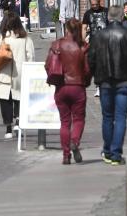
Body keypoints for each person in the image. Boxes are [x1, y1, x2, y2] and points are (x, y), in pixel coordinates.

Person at [88, 5, 127, 166]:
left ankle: (107, 150)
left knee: (107, 117)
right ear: (121, 17)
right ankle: (116, 153)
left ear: (108, 18)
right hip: (124, 81)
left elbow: (91, 59)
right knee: (120, 117)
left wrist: (96, 74)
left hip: (105, 81)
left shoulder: (98, 36)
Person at [48, 19, 89, 164]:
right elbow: (87, 69)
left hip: (61, 87)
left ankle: (66, 155)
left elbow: (48, 66)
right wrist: (86, 82)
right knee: (78, 119)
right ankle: (75, 142)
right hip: (77, 86)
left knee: (65, 122)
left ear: (66, 28)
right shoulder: (83, 46)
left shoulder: (56, 44)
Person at [0, 12, 35, 139]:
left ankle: (8, 128)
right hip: (21, 73)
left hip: (4, 73)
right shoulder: (25, 38)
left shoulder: (2, 37)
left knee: (5, 100)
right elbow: (31, 56)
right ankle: (18, 120)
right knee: (19, 98)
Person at [82, 0, 108, 97]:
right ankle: (98, 87)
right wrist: (82, 41)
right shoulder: (88, 14)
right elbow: (84, 28)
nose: (95, 6)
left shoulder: (106, 11)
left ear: (99, 2)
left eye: (96, 4)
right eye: (93, 5)